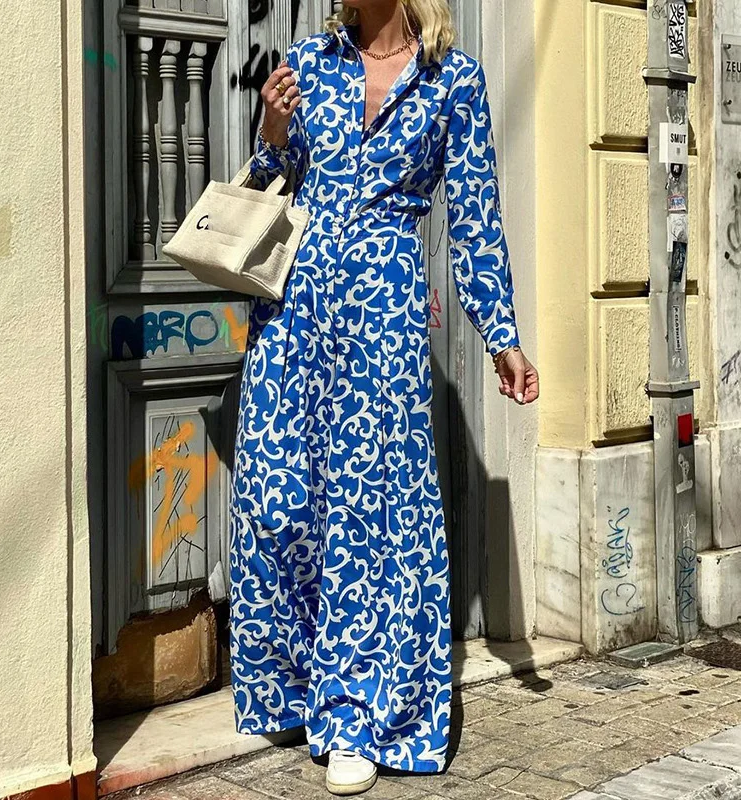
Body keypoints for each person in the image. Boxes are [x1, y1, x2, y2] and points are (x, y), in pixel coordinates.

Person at [229, 0, 540, 795]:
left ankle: (358, 716)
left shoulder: (453, 80)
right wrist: (271, 134)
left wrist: (502, 337)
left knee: (369, 513)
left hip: (384, 315)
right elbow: (264, 190)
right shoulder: (309, 61)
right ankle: (297, 684)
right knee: (277, 497)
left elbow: (475, 219)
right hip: (294, 310)